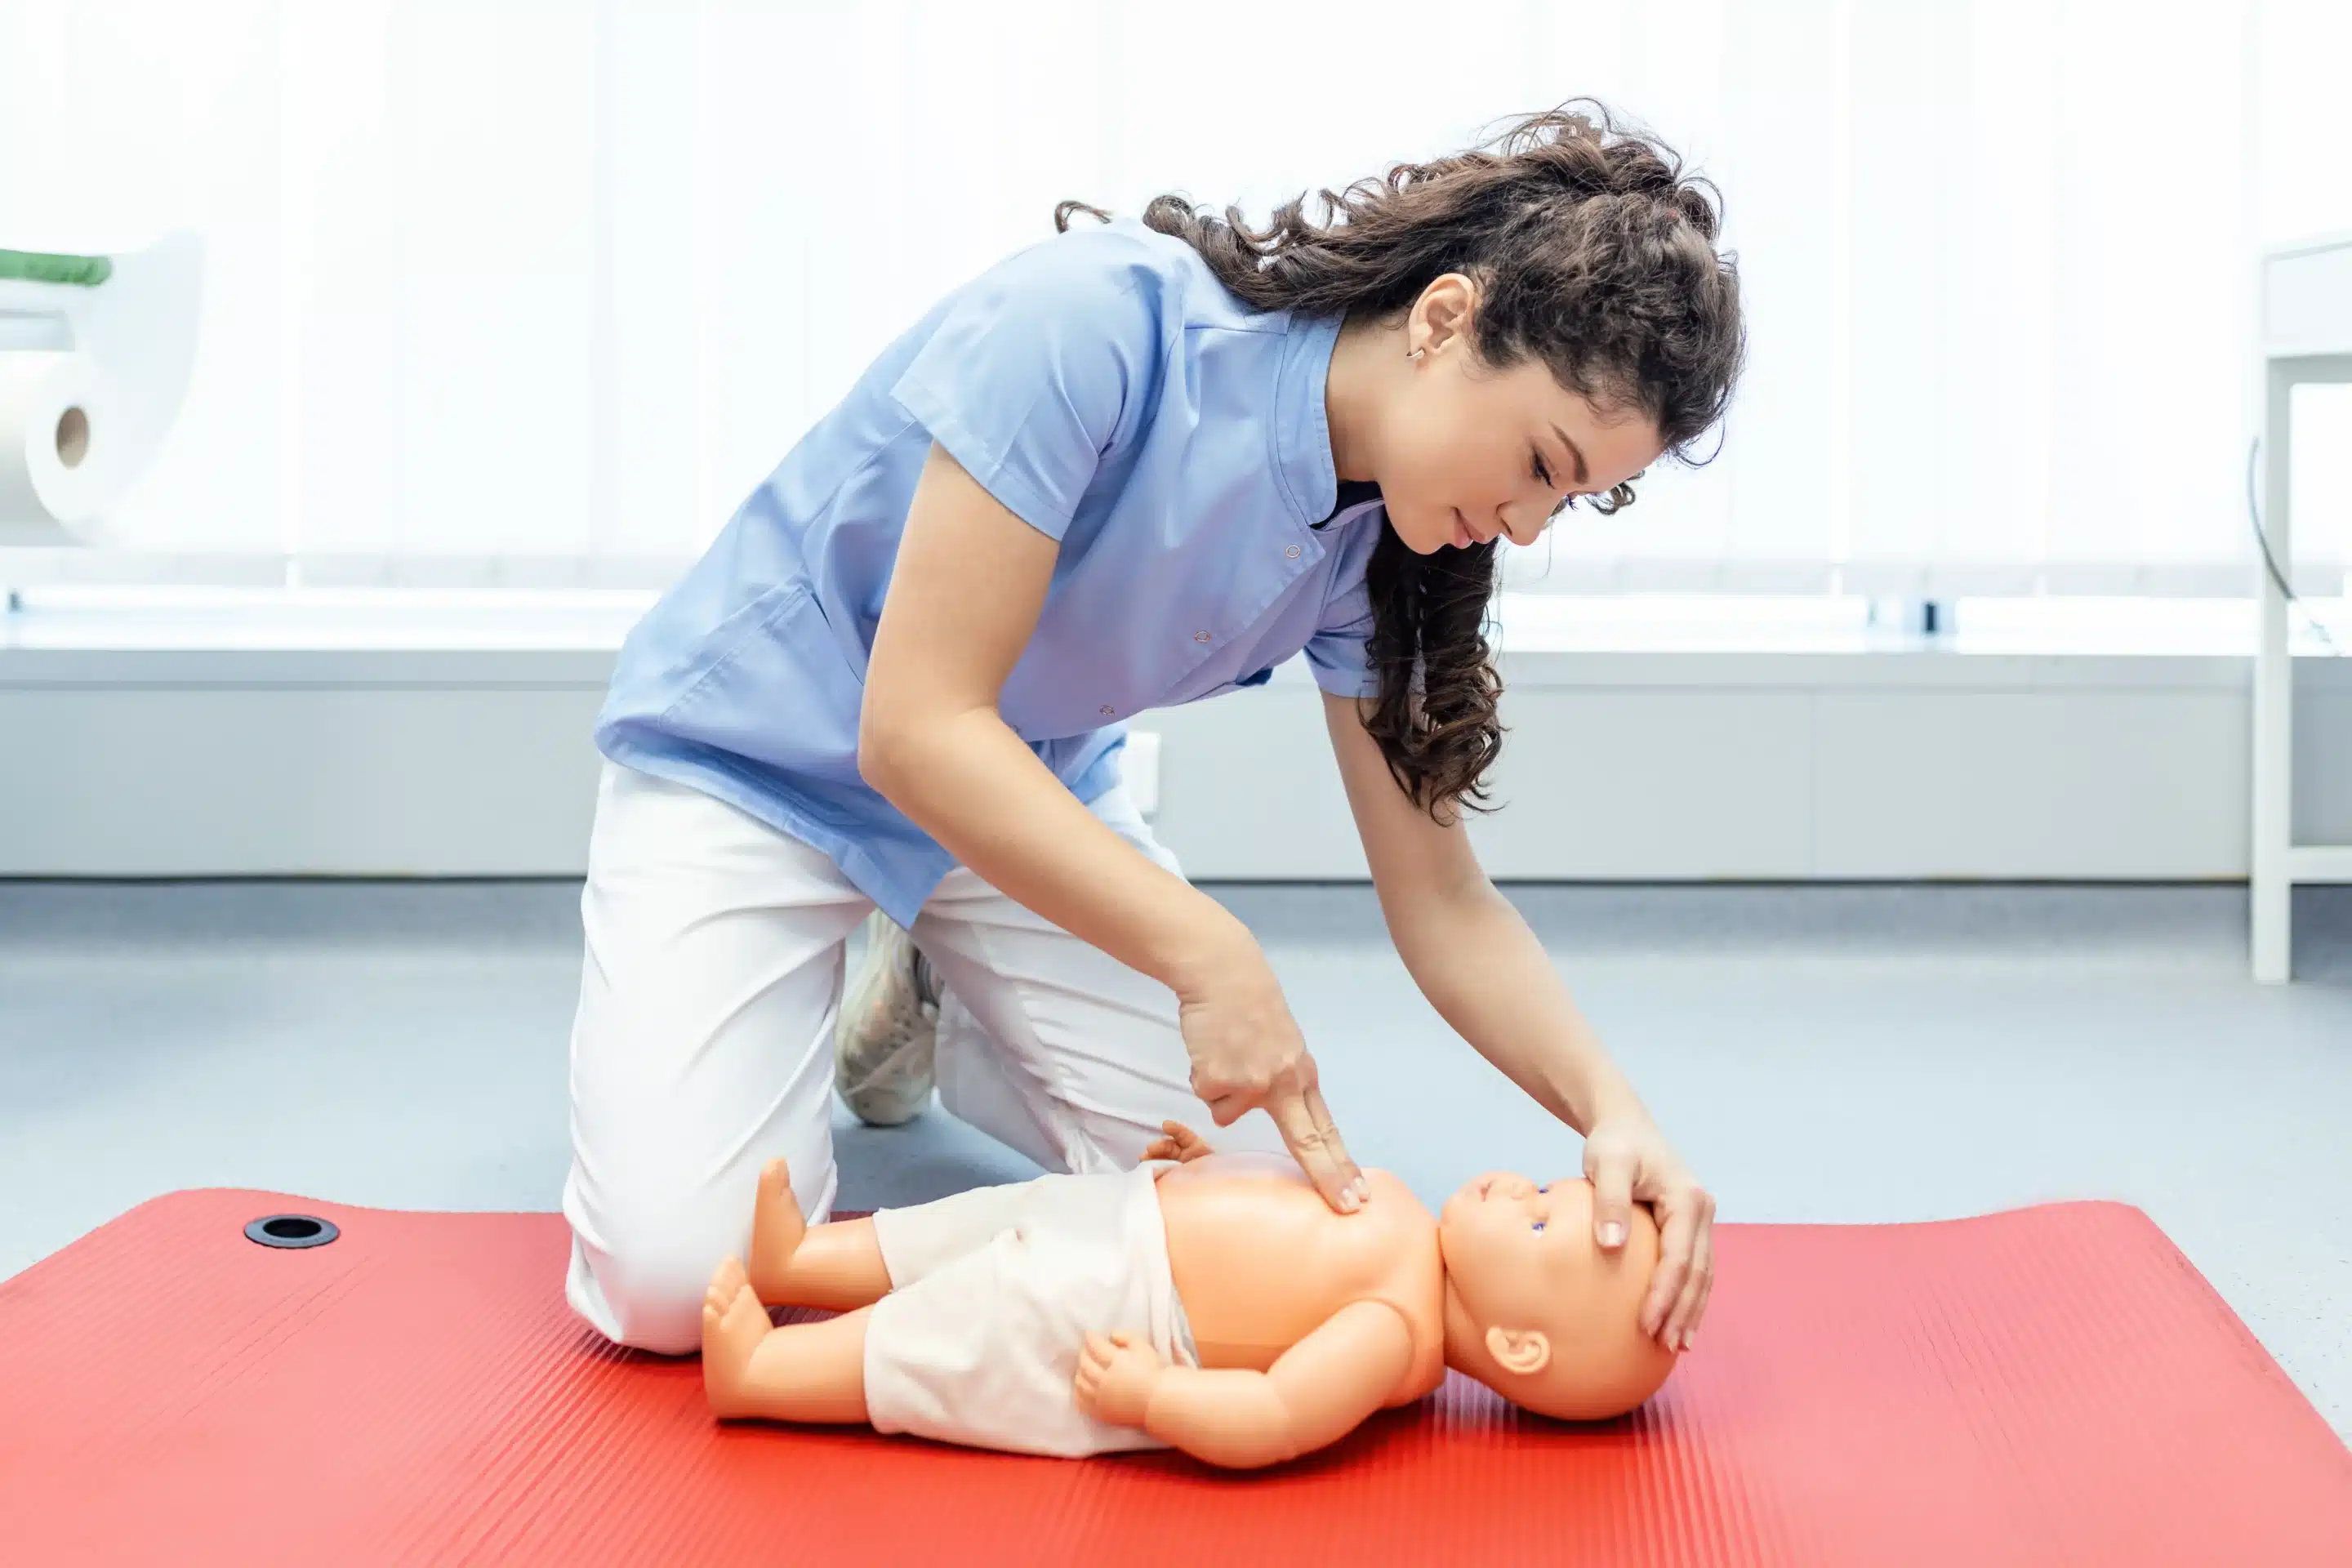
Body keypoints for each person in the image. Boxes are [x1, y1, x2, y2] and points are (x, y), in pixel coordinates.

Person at [564, 99, 1747, 1358]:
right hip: (762, 763)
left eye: (1572, 501)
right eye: (1541, 463)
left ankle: (936, 995)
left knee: (1236, 1210)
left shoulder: (1394, 541)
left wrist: (1612, 1113)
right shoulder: (1095, 325)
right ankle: (871, 974)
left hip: (1013, 797)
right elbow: (910, 729)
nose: (1523, 527)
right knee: (673, 1283)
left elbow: (1443, 903)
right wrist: (1207, 953)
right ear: (1447, 321)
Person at [701, 1122, 1681, 1466]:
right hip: (1125, 1211)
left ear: (1518, 1348)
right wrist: (1219, 1170)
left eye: (1539, 1222)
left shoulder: (1395, 1330)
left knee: (964, 1322)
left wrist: (1154, 1398)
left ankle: (768, 1371)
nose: (1524, 1189)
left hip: (1124, 1298)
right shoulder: (1411, 1233)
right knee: (965, 1223)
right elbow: (1291, 1217)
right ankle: (804, 1264)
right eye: (1550, 1186)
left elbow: (1273, 1416)